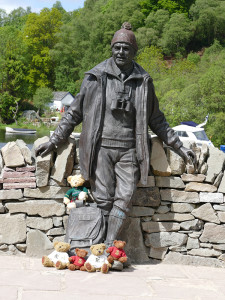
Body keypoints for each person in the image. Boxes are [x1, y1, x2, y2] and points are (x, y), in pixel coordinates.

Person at [36, 23, 196, 247]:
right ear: (111, 48)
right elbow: (74, 113)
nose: (121, 52)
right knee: (103, 198)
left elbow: (156, 119)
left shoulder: (144, 82)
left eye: (126, 48)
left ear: (134, 52)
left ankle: (110, 247)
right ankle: (99, 245)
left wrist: (179, 146)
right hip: (100, 148)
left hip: (130, 149)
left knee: (126, 196)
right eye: (117, 48)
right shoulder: (95, 77)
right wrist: (54, 140)